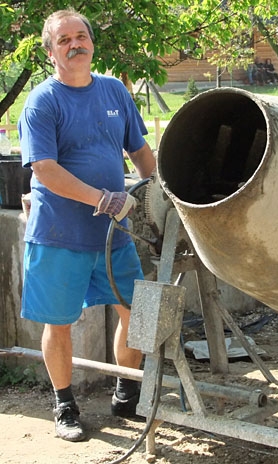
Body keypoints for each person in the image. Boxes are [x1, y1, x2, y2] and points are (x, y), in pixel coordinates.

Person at [18, 8, 156, 442]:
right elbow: (44, 169)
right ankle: (65, 405)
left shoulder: (115, 91)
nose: (75, 44)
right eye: (64, 40)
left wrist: (159, 191)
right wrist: (102, 199)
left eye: (81, 36)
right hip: (59, 235)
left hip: (114, 237)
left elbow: (141, 152)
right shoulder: (43, 101)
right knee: (58, 323)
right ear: (51, 52)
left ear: (92, 44)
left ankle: (125, 392)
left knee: (138, 314)